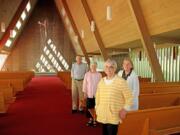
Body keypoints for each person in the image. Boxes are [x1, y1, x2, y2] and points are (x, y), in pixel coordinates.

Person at [95, 59, 133, 135]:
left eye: (111, 67)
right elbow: (97, 97)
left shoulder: (121, 81)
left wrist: (125, 110)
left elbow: (129, 97)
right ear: (104, 69)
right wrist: (97, 108)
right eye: (106, 67)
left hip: (114, 115)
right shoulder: (101, 81)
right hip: (103, 114)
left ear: (115, 69)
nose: (108, 69)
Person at [83, 62, 102, 127]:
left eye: (94, 66)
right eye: (92, 66)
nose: (93, 67)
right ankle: (90, 119)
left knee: (95, 107)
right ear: (90, 66)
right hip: (89, 94)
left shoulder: (99, 74)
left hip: (97, 94)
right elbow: (85, 84)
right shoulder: (87, 74)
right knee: (89, 107)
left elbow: (101, 85)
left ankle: (94, 119)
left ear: (96, 66)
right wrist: (85, 92)